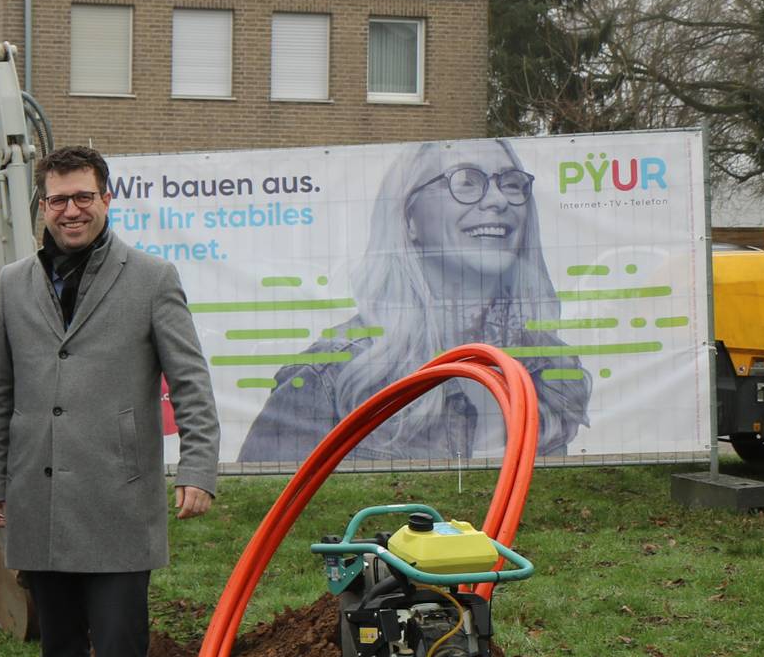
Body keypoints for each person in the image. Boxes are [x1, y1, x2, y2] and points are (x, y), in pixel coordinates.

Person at [0, 145, 220, 657]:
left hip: (118, 499)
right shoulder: (18, 285)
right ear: (43, 207)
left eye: (83, 196)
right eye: (58, 199)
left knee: (119, 656)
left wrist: (197, 467)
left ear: (107, 198)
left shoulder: (150, 279)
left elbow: (191, 382)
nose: (71, 209)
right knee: (57, 652)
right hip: (38, 499)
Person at [237, 137, 590, 465]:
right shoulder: (329, 375)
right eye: (467, 181)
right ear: (409, 219)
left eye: (511, 183)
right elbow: (261, 511)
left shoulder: (547, 367)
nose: (498, 200)